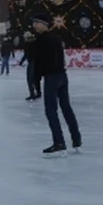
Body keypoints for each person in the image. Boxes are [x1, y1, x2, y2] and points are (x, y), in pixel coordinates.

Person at [30, 12, 81, 156]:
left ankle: (59, 142)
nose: (34, 25)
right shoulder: (57, 38)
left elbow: (39, 63)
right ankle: (76, 138)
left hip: (51, 77)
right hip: (62, 76)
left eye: (36, 22)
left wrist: (36, 81)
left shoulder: (41, 40)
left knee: (51, 110)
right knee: (66, 108)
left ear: (43, 24)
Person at [18, 30, 41, 100]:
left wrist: (21, 62)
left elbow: (26, 54)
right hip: (36, 62)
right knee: (36, 79)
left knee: (30, 79)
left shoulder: (27, 44)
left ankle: (32, 94)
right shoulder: (35, 42)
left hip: (32, 62)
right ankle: (38, 93)